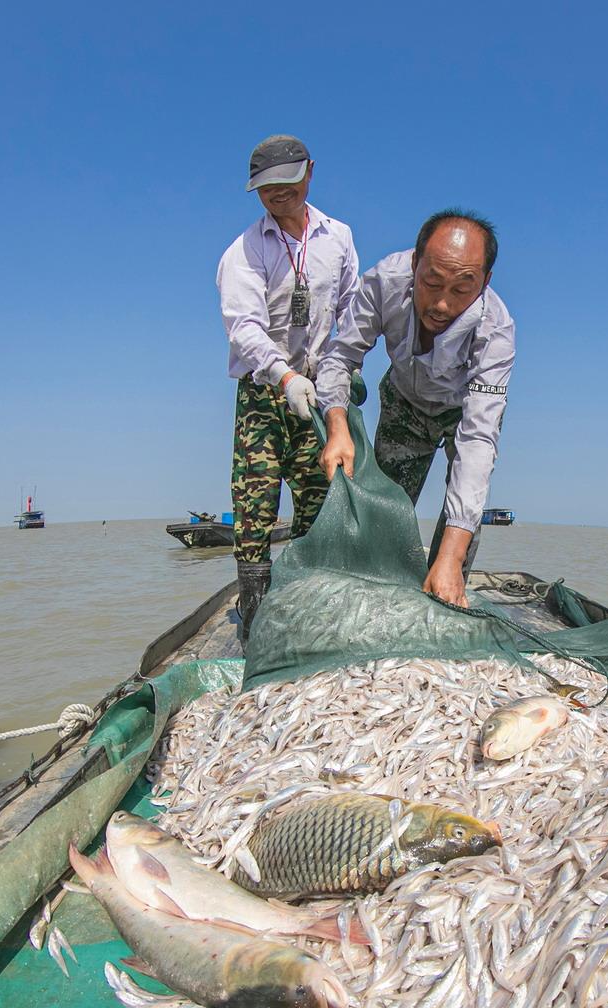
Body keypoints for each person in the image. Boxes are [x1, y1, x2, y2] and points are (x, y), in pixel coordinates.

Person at [315, 210, 515, 608]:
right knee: (382, 517)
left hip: (463, 413)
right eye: (432, 282)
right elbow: (340, 357)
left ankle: (446, 589)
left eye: (462, 289)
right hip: (404, 401)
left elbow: (478, 440)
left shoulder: (496, 330)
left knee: (456, 545)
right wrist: (336, 426)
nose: (442, 304)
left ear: (485, 282)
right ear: (414, 264)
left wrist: (450, 558)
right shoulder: (383, 282)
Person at [216, 135, 359, 644]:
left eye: (287, 181)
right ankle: (256, 616)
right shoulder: (244, 251)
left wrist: (346, 368)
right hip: (264, 393)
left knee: (318, 497)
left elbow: (351, 309)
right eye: (266, 187)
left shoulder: (338, 237)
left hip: (318, 394)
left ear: (310, 172)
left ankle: (308, 608)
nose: (278, 193)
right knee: (255, 502)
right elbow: (244, 327)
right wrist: (284, 375)